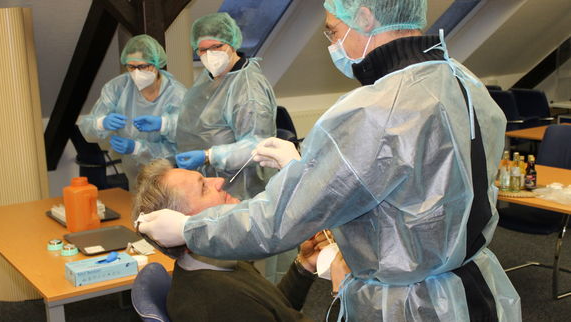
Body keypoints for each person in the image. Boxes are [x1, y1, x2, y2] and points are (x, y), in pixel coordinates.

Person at [138, 1, 522, 321]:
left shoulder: (373, 110)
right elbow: (420, 193)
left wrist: (190, 229)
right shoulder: (461, 81)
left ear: (366, 17)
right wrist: (307, 171)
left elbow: (275, 223)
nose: (331, 43)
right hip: (469, 286)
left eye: (333, 30)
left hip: (411, 305)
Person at [132, 159, 333, 322]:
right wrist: (341, 291)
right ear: (178, 220)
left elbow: (272, 310)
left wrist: (303, 266)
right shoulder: (216, 303)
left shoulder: (218, 261)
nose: (218, 182)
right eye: (203, 187)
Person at [174, 12, 277, 201]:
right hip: (208, 185)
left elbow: (257, 145)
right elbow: (198, 118)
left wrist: (209, 156)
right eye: (202, 50)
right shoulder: (210, 77)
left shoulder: (248, 88)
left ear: (232, 43)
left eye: (216, 46)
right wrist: (163, 124)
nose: (209, 54)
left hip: (242, 189)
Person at [79, 34, 186, 191]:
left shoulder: (176, 94)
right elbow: (87, 129)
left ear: (157, 64)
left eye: (142, 66)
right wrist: (102, 122)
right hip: (133, 175)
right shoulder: (118, 88)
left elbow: (182, 147)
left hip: (167, 178)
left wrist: (138, 148)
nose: (136, 72)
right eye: (131, 67)